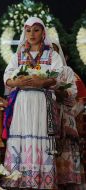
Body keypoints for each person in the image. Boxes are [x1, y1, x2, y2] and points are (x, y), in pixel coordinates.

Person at [2, 17, 64, 189]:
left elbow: (60, 76)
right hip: (22, 103)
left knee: (41, 135)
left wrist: (43, 82)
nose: (31, 34)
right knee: (21, 136)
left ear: (43, 32)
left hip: (42, 103)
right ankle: (18, 180)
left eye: (36, 30)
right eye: (28, 30)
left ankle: (41, 181)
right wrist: (16, 83)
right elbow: (7, 76)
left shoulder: (52, 55)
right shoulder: (19, 55)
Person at [52, 42, 82, 189]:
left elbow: (73, 92)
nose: (51, 53)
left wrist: (61, 92)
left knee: (67, 149)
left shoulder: (67, 71)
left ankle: (68, 181)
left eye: (55, 51)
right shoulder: (41, 69)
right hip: (48, 115)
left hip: (65, 114)